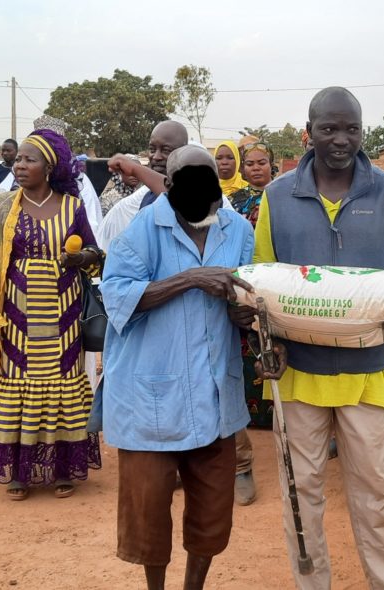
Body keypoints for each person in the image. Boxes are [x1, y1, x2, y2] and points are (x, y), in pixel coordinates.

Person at [231, 87, 384, 589]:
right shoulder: (277, 196)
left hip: (367, 372)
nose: (341, 139)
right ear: (309, 131)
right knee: (299, 494)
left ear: (363, 131)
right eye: (329, 128)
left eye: (351, 128)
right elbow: (261, 280)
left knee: (378, 495)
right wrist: (264, 334)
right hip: (296, 375)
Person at [101, 145, 282, 590]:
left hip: (214, 395)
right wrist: (191, 279)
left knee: (211, 514)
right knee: (148, 515)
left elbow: (246, 296)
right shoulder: (140, 230)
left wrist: (245, 318)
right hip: (151, 400)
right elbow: (118, 297)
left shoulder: (237, 229)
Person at [0, 129, 102, 500]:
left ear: (49, 166)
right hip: (17, 312)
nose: (20, 165)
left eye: (29, 159)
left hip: (65, 312)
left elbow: (94, 252)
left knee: (63, 381)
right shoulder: (4, 207)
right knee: (17, 383)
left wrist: (81, 257)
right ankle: (19, 473)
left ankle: (61, 469)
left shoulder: (73, 206)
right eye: (19, 159)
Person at [227, 141, 279, 506]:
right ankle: (250, 422)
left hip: (276, 284)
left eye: (262, 162)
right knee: (246, 354)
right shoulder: (234, 202)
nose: (256, 168)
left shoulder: (281, 198)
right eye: (251, 163)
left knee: (274, 352)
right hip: (243, 283)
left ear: (273, 166)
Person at [97, 121, 190, 250]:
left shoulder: (203, 194)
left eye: (166, 150)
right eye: (152, 149)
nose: (156, 157)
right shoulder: (146, 198)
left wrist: (135, 169)